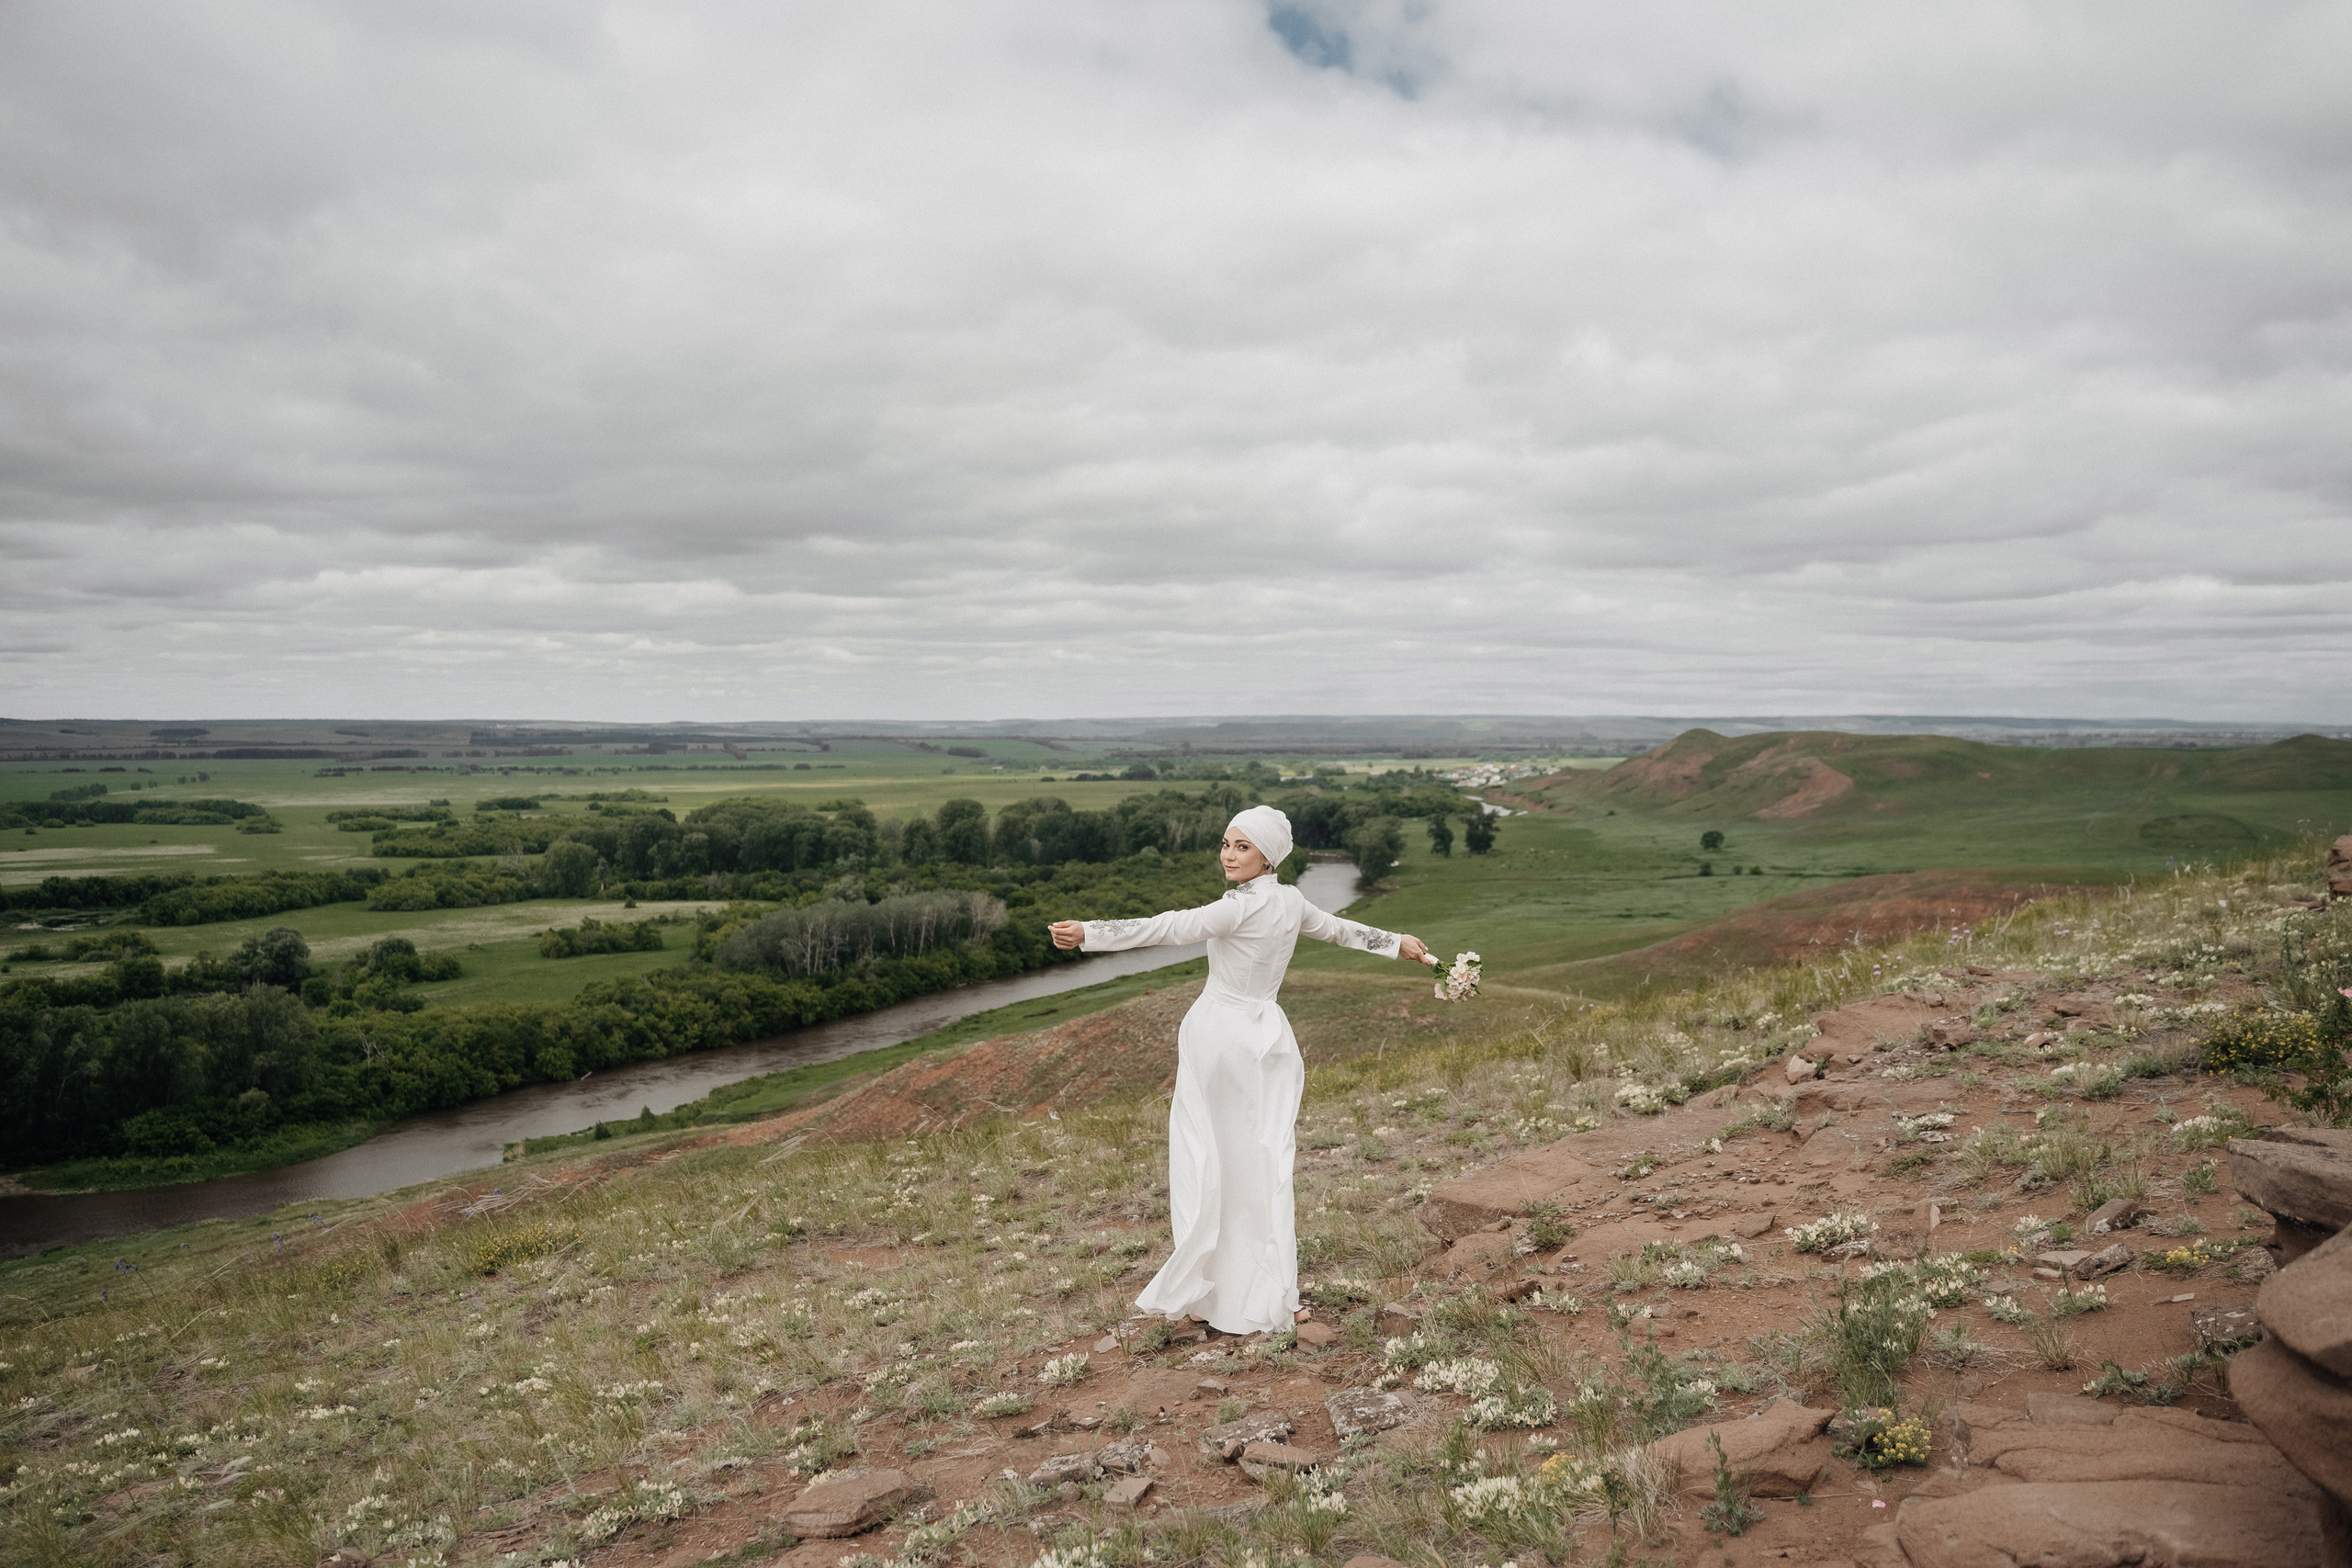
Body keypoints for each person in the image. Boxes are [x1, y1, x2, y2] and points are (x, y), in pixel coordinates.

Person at [1047, 805, 1429, 1335]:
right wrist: (1396, 943)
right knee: (1263, 1159)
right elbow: (1340, 931)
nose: (1228, 855)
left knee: (1205, 1156)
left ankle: (1208, 1287)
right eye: (1226, 844)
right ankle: (1270, 1290)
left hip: (1220, 1036)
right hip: (1266, 1038)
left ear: (1267, 854)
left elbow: (1168, 927)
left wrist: (1090, 933)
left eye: (1242, 846)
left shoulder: (1237, 908)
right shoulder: (1292, 901)